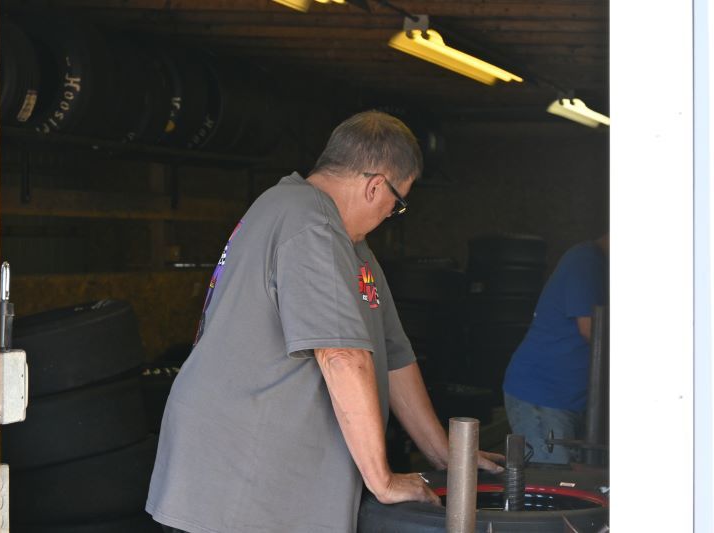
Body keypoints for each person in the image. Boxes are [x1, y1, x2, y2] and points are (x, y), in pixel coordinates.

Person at [146, 110, 504, 533]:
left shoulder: (351, 246)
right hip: (237, 483)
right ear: (376, 186)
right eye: (398, 203)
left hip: (273, 483)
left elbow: (393, 354)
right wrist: (383, 480)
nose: (392, 214)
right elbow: (341, 355)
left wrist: (444, 455)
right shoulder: (308, 222)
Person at [502, 235, 609, 464]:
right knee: (553, 477)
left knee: (574, 476)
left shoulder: (605, 267)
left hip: (571, 399)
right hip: (543, 397)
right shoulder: (586, 261)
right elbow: (590, 329)